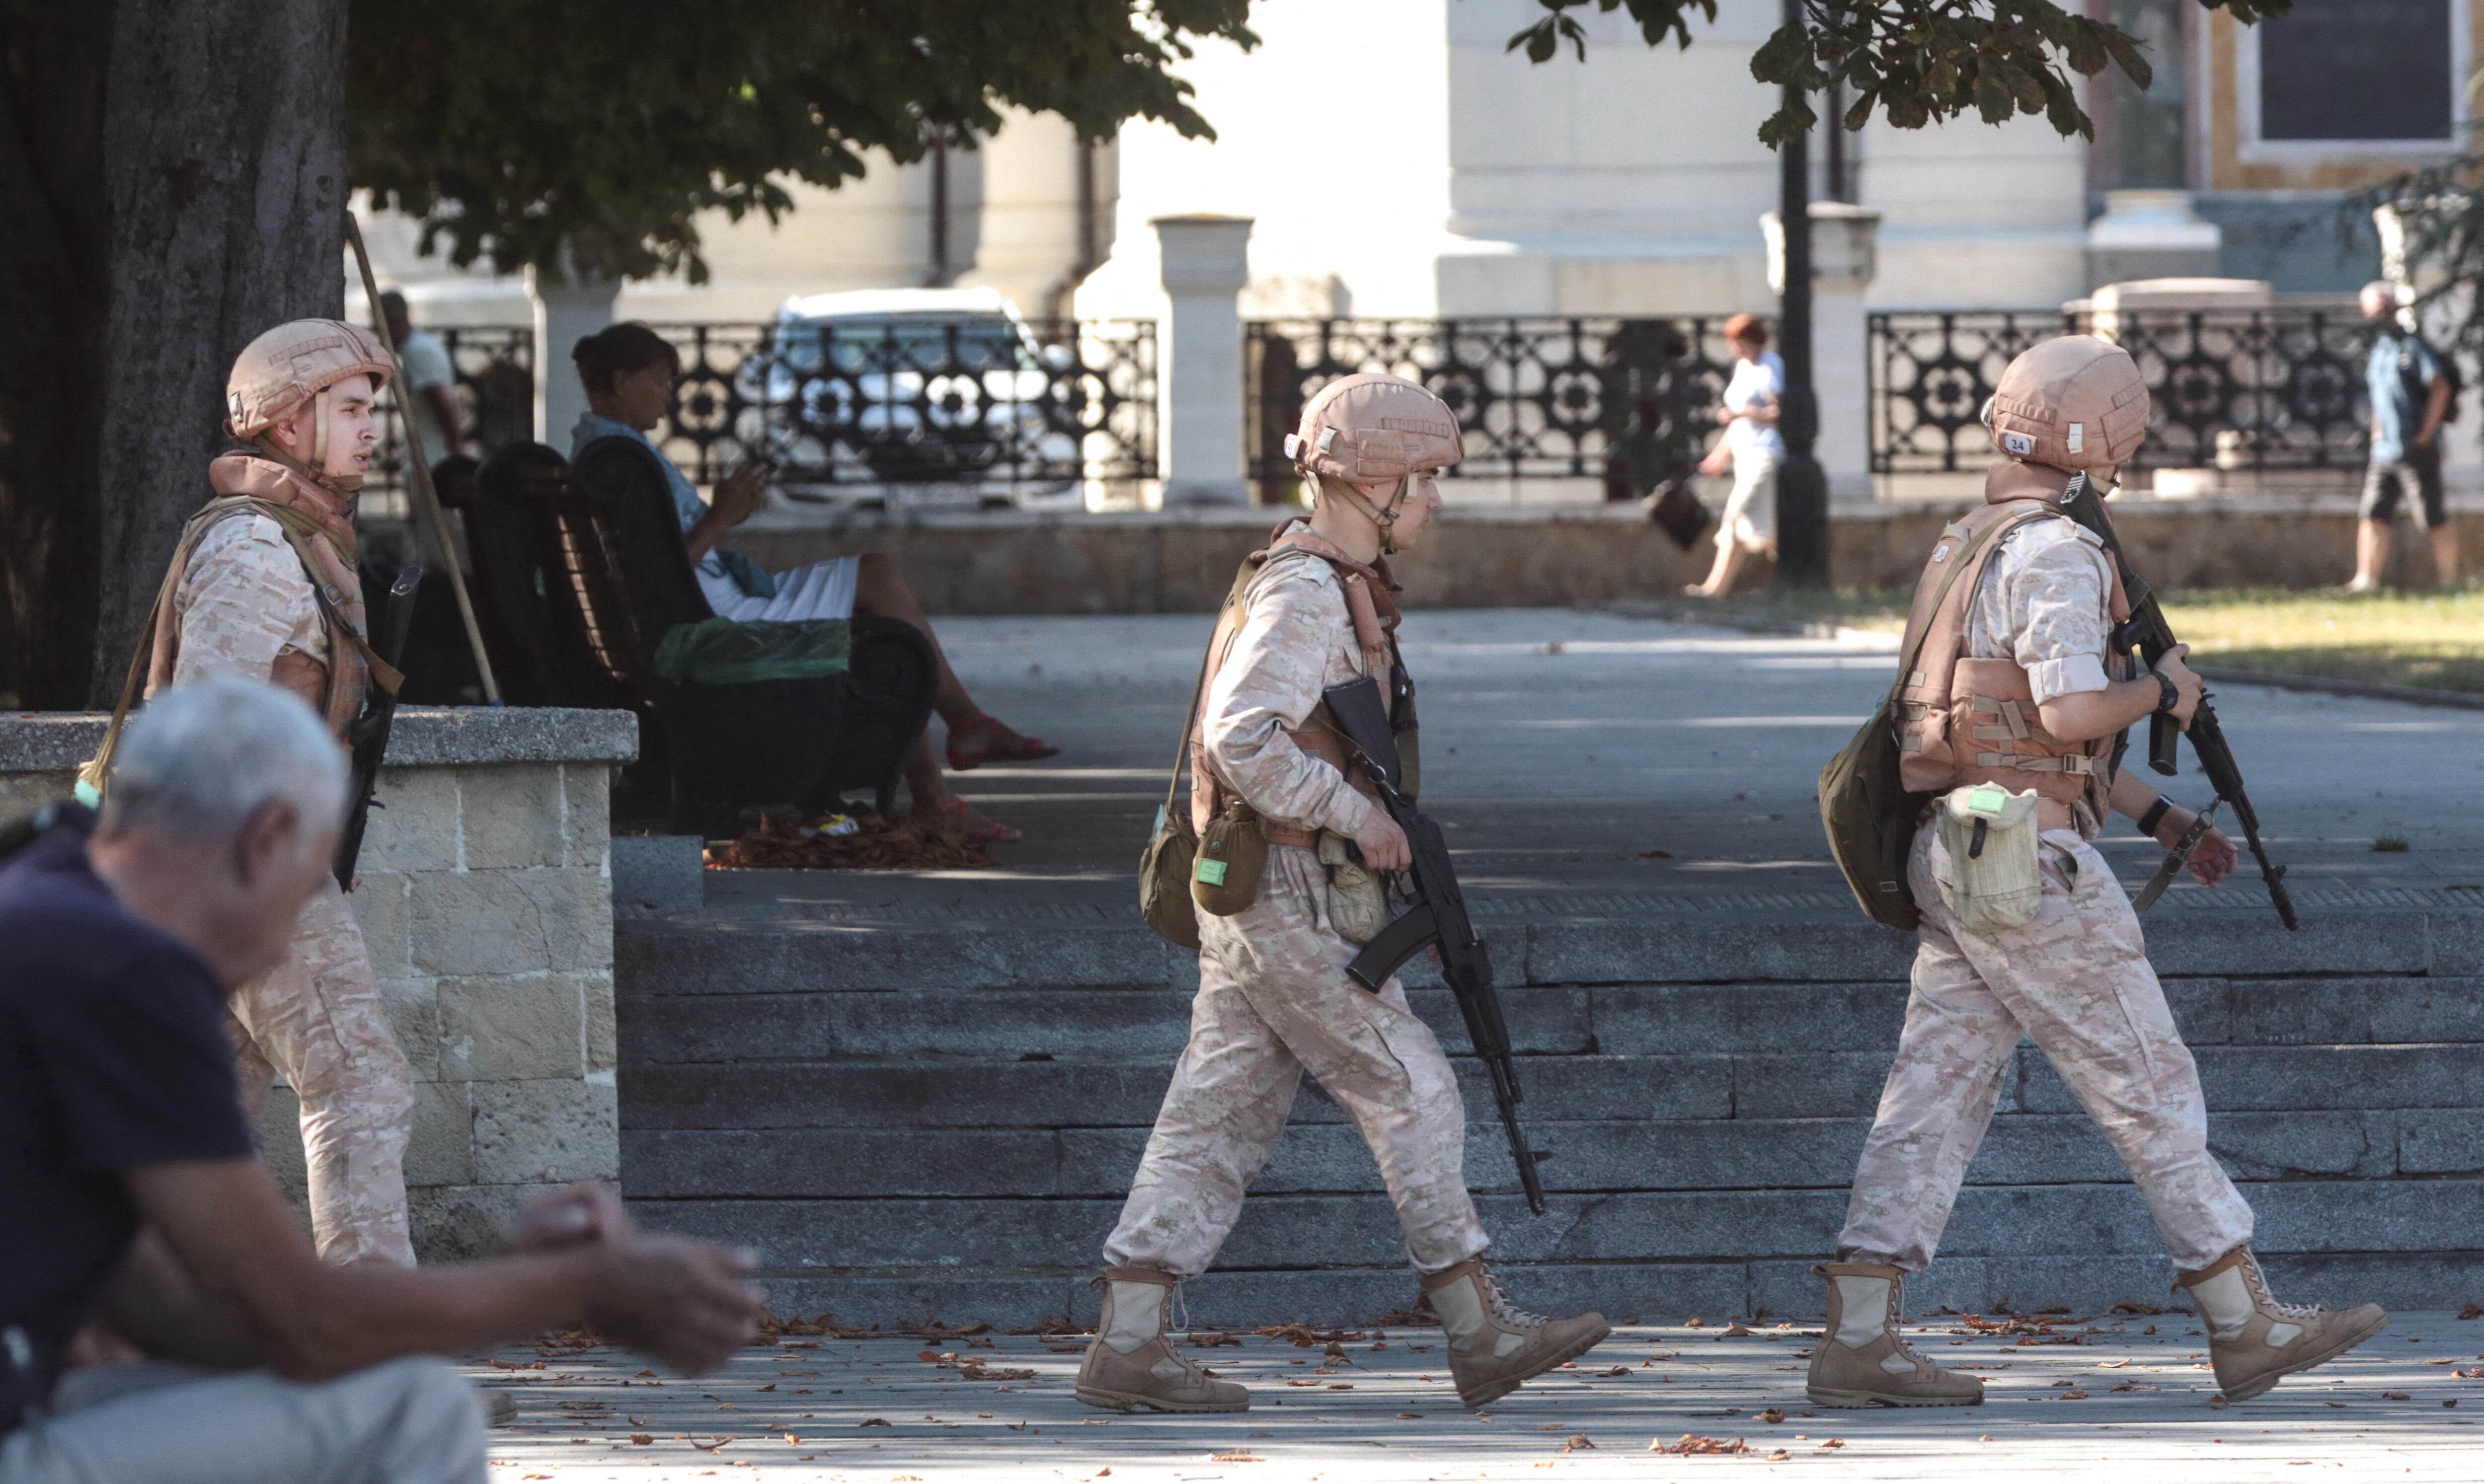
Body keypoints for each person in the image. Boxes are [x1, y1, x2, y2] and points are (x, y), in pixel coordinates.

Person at [1807, 335, 2387, 1411]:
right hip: (2033, 863)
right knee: (2146, 1080)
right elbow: (2072, 714)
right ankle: (2241, 1319)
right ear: (2100, 438)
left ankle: (1860, 1335)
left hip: (1960, 844)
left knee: (1929, 1096)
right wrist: (2163, 694)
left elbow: (2002, 724)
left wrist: (2160, 816)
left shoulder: (1967, 541)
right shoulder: (2059, 553)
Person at [0, 676, 763, 1484]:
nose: (273, 954)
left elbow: (173, 1306)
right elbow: (307, 1322)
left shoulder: (47, 887)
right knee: (416, 1409)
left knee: (358, 1387)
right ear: (268, 838)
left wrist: (502, 1278)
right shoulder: (121, 967)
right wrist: (585, 1285)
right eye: (301, 901)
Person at [1080, 374, 1610, 1417]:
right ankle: (1475, 1330)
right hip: (1286, 884)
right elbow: (1239, 736)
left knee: (1217, 1110)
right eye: (1428, 483)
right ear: (1379, 481)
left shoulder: (1325, 580)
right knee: (1408, 1080)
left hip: (1271, 884)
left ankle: (1129, 1343)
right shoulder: (1305, 591)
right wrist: (1352, 813)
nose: (1437, 505)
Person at [122, 318, 418, 1266]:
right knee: (359, 1079)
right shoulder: (256, 549)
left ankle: (111, 1314)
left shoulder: (292, 536)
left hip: (232, 867)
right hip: (235, 867)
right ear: (288, 425)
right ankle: (369, 1314)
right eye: (350, 409)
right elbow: (209, 737)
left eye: (372, 410)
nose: (372, 429)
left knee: (199, 1108)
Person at [568, 322, 1054, 842]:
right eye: (660, 380)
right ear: (620, 382)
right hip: (709, 618)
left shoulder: (607, 453)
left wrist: (722, 515)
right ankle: (959, 745)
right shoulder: (620, 460)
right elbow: (654, 580)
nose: (669, 395)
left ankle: (945, 775)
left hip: (694, 606)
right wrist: (721, 518)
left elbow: (652, 569)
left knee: (881, 616)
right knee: (877, 577)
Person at [2349, 281, 2461, 592]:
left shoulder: (2413, 347)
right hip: (2384, 452)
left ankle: (2448, 579)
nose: (2378, 315)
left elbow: (2440, 387)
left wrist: (2426, 433)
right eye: (2373, 309)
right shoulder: (2379, 351)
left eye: (2383, 308)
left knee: (2433, 518)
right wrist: (2376, 432)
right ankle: (2366, 579)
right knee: (2372, 514)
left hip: (2416, 448)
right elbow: (2380, 398)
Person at [1684, 313, 1782, 598]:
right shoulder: (1743, 368)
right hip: (1744, 454)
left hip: (1766, 453)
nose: (1735, 349)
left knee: (1737, 513)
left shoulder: (1770, 368)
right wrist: (1719, 455)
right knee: (1754, 522)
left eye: (1739, 342)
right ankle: (1717, 588)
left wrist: (1742, 412)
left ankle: (1715, 588)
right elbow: (1737, 424)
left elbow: (1778, 412)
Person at [380, 291, 469, 468]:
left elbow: (441, 401)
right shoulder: (418, 346)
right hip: (428, 455)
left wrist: (456, 451)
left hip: (430, 458)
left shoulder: (416, 351)